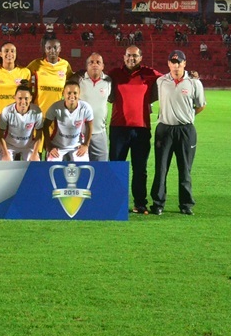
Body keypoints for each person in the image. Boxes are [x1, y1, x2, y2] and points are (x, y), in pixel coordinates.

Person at [150, 51, 206, 215]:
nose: (176, 66)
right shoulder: (161, 81)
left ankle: (186, 204)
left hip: (185, 130)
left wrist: (188, 116)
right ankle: (158, 203)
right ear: (168, 64)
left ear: (184, 63)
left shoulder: (194, 83)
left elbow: (201, 105)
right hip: (164, 129)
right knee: (161, 168)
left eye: (179, 62)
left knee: (185, 169)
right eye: (173, 62)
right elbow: (150, 99)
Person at [108, 46, 162, 214]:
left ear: (141, 57)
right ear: (124, 57)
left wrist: (191, 75)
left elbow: (169, 78)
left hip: (141, 128)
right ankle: (115, 201)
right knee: (116, 167)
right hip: (118, 128)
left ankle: (140, 203)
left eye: (135, 56)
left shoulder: (149, 73)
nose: (132, 58)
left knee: (140, 169)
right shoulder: (114, 74)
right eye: (129, 55)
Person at [0, 42, 32, 158]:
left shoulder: (25, 72)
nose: (9, 54)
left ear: (16, 54)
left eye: (12, 51)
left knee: (17, 156)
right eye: (6, 51)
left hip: (18, 121)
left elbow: (29, 98)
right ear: (0, 54)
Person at [72, 53, 112, 161]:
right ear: (87, 66)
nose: (95, 65)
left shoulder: (108, 82)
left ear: (103, 66)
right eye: (91, 62)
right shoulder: (78, 80)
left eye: (98, 62)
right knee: (80, 169)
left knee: (102, 167)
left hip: (99, 132)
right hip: (80, 134)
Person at [41, 81, 93, 162]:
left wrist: (86, 144)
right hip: (58, 145)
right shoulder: (55, 107)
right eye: (69, 93)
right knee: (51, 167)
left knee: (83, 168)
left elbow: (90, 126)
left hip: (77, 146)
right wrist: (49, 146)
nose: (72, 96)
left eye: (75, 93)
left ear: (79, 94)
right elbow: (45, 126)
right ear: (63, 94)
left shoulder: (86, 108)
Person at [0, 85, 43, 161]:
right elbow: (0, 134)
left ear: (31, 99)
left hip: (28, 146)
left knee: (35, 164)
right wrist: (5, 154)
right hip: (10, 145)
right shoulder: (7, 111)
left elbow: (39, 134)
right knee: (5, 164)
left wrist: (35, 154)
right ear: (15, 98)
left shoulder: (37, 112)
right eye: (20, 98)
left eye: (26, 98)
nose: (23, 102)